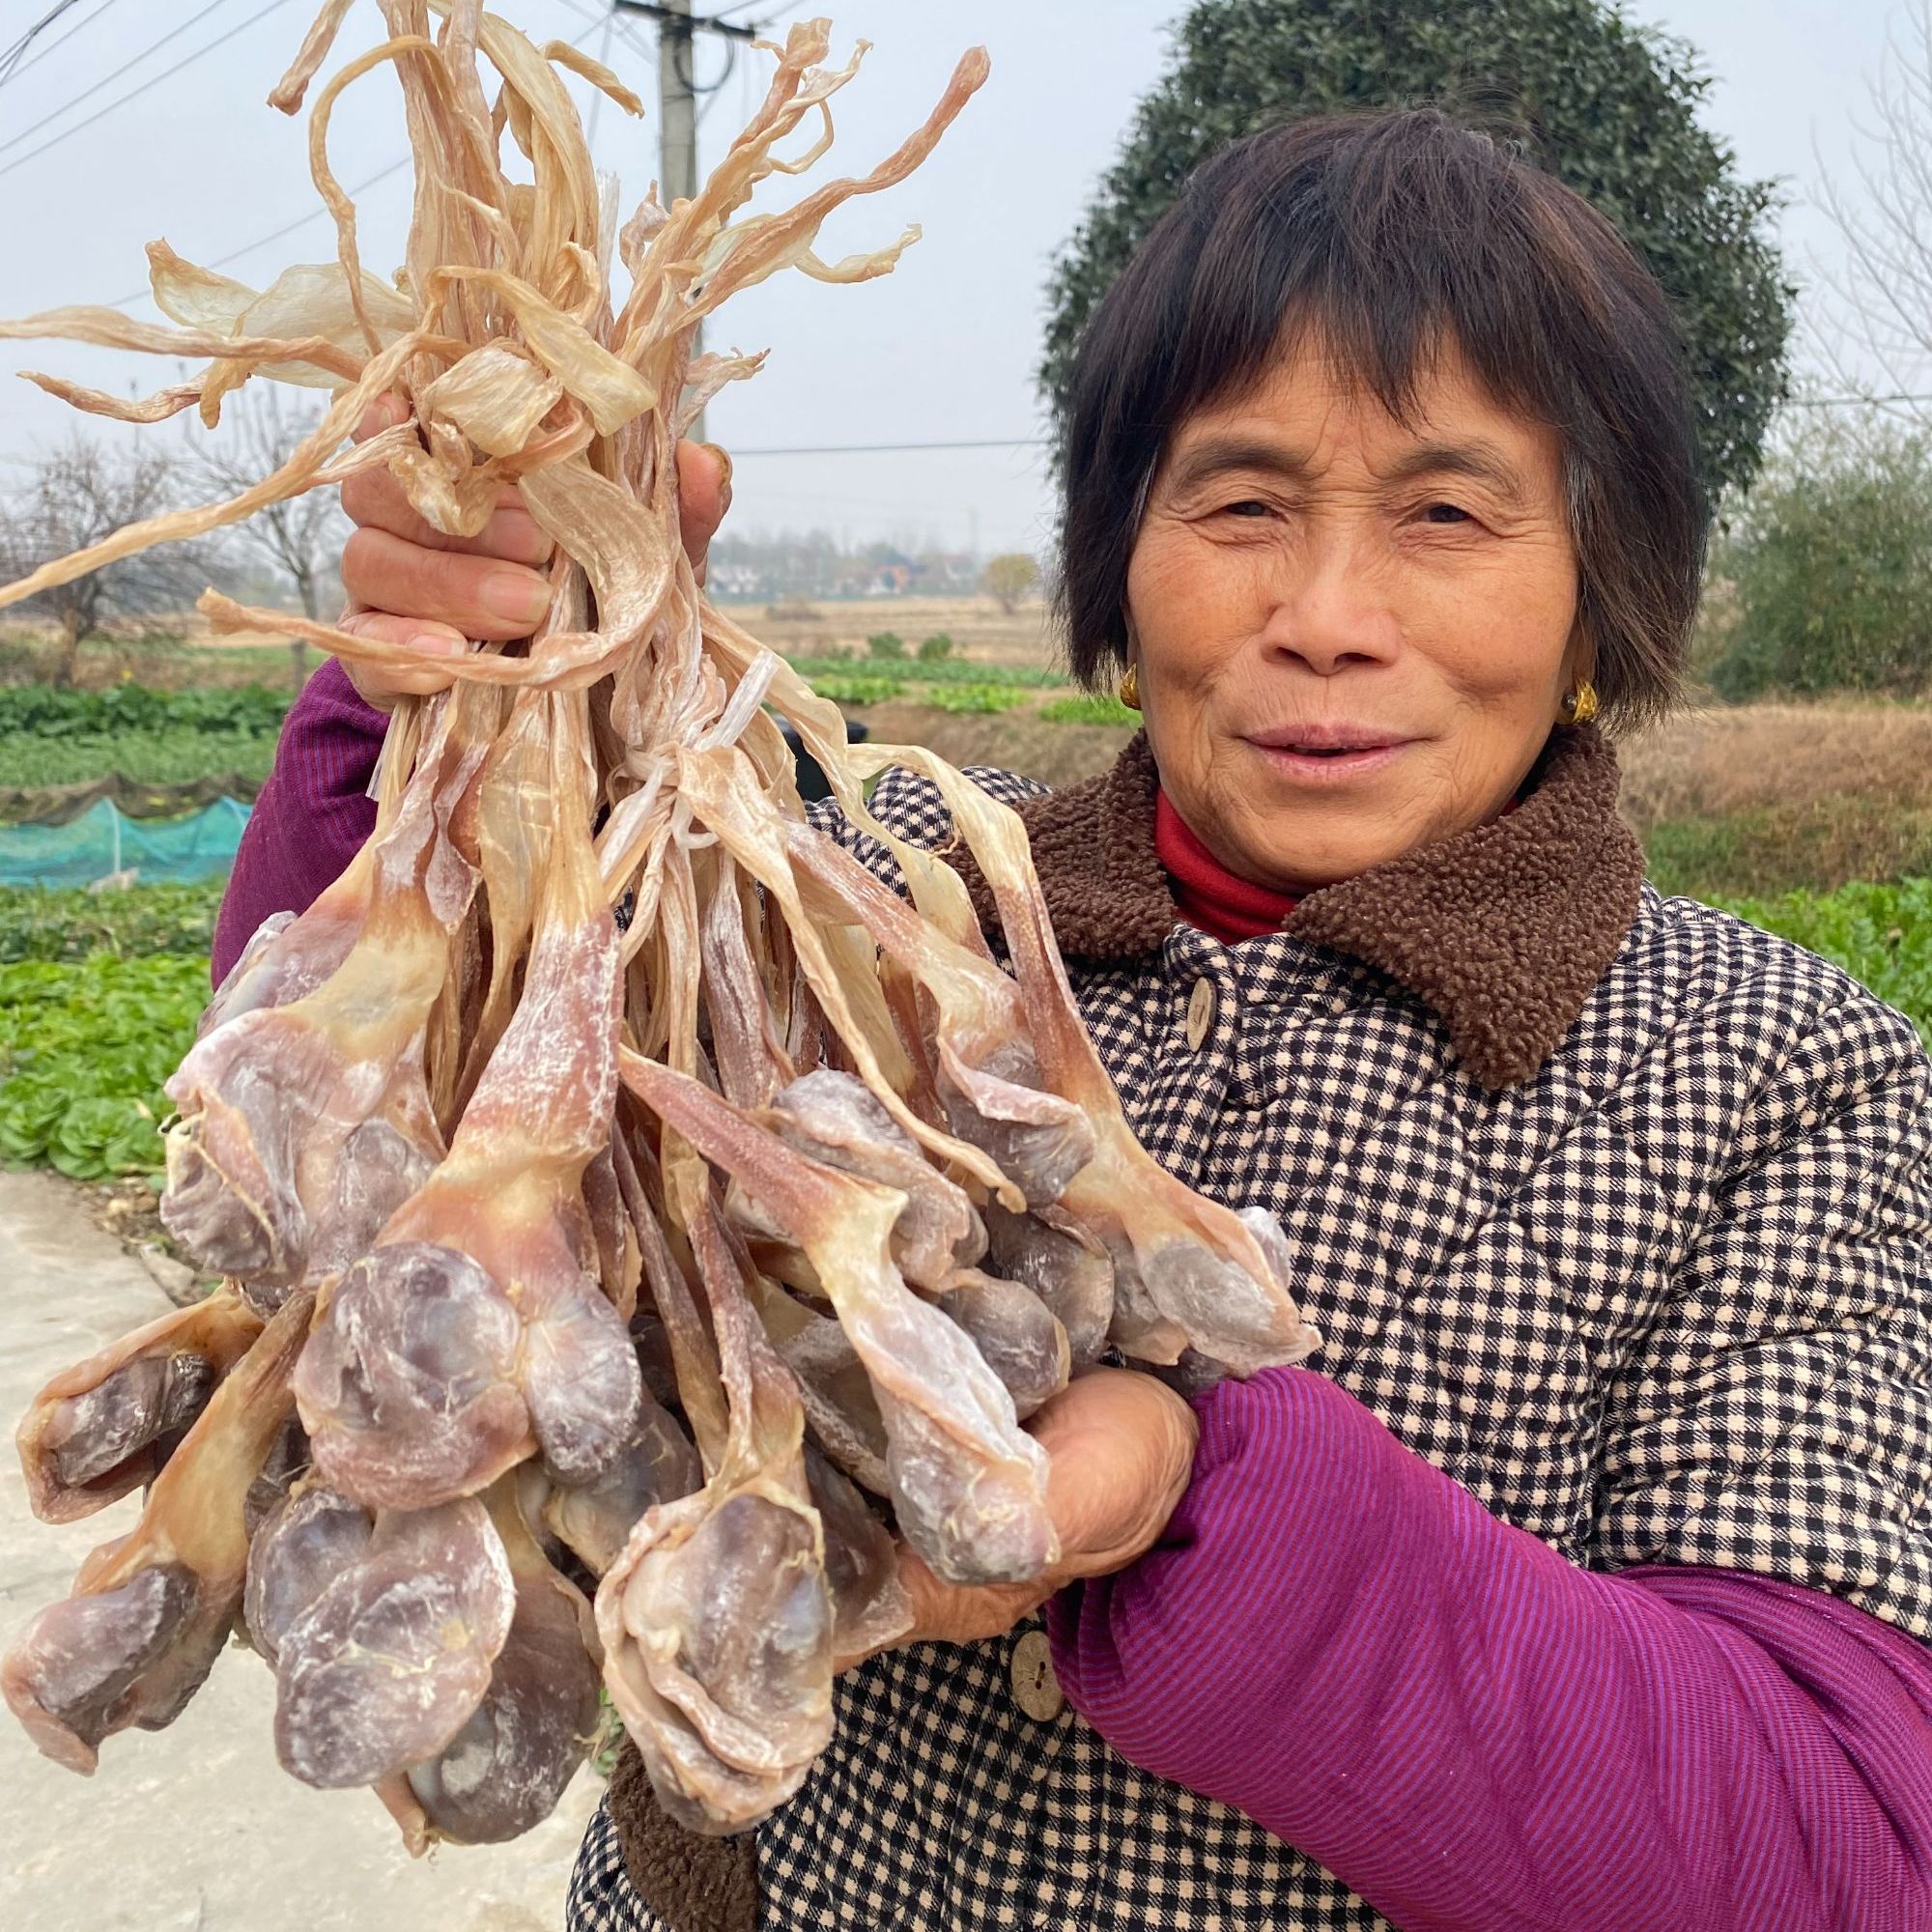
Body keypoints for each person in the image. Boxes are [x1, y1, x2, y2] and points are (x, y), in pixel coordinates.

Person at [218, 112, 1932, 1932]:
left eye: (1447, 512)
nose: (1326, 617)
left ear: (1603, 586)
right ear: (1120, 558)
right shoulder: (859, 883)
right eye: (1241, 500)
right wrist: (451, 709)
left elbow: (1839, 1846)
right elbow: (365, 1149)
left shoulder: (1778, 1080)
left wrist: (1188, 1492)